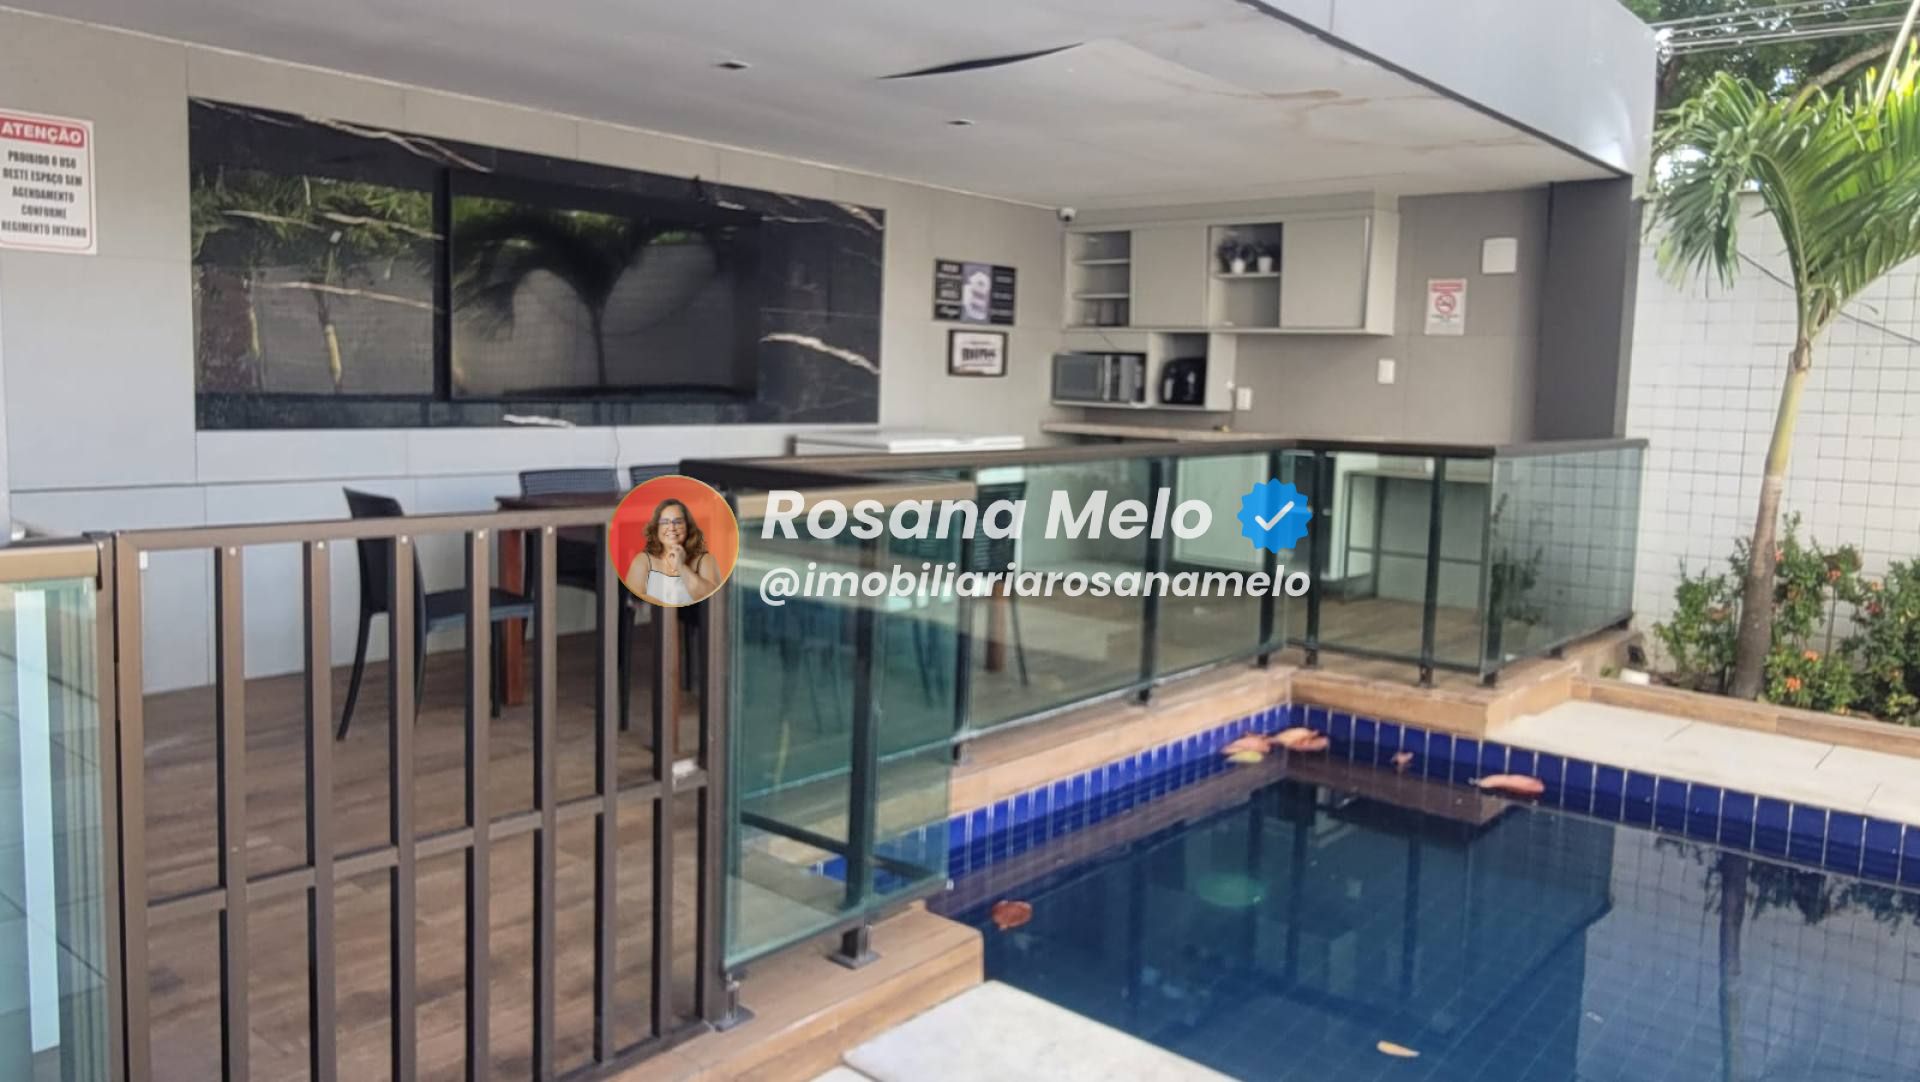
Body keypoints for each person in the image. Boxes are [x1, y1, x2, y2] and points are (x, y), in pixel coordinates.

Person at [625, 498, 721, 606]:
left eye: (678, 522)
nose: (671, 527)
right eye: (664, 522)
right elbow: (634, 604)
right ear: (657, 528)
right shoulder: (643, 560)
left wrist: (681, 566)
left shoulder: (706, 560)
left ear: (688, 526)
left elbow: (711, 602)